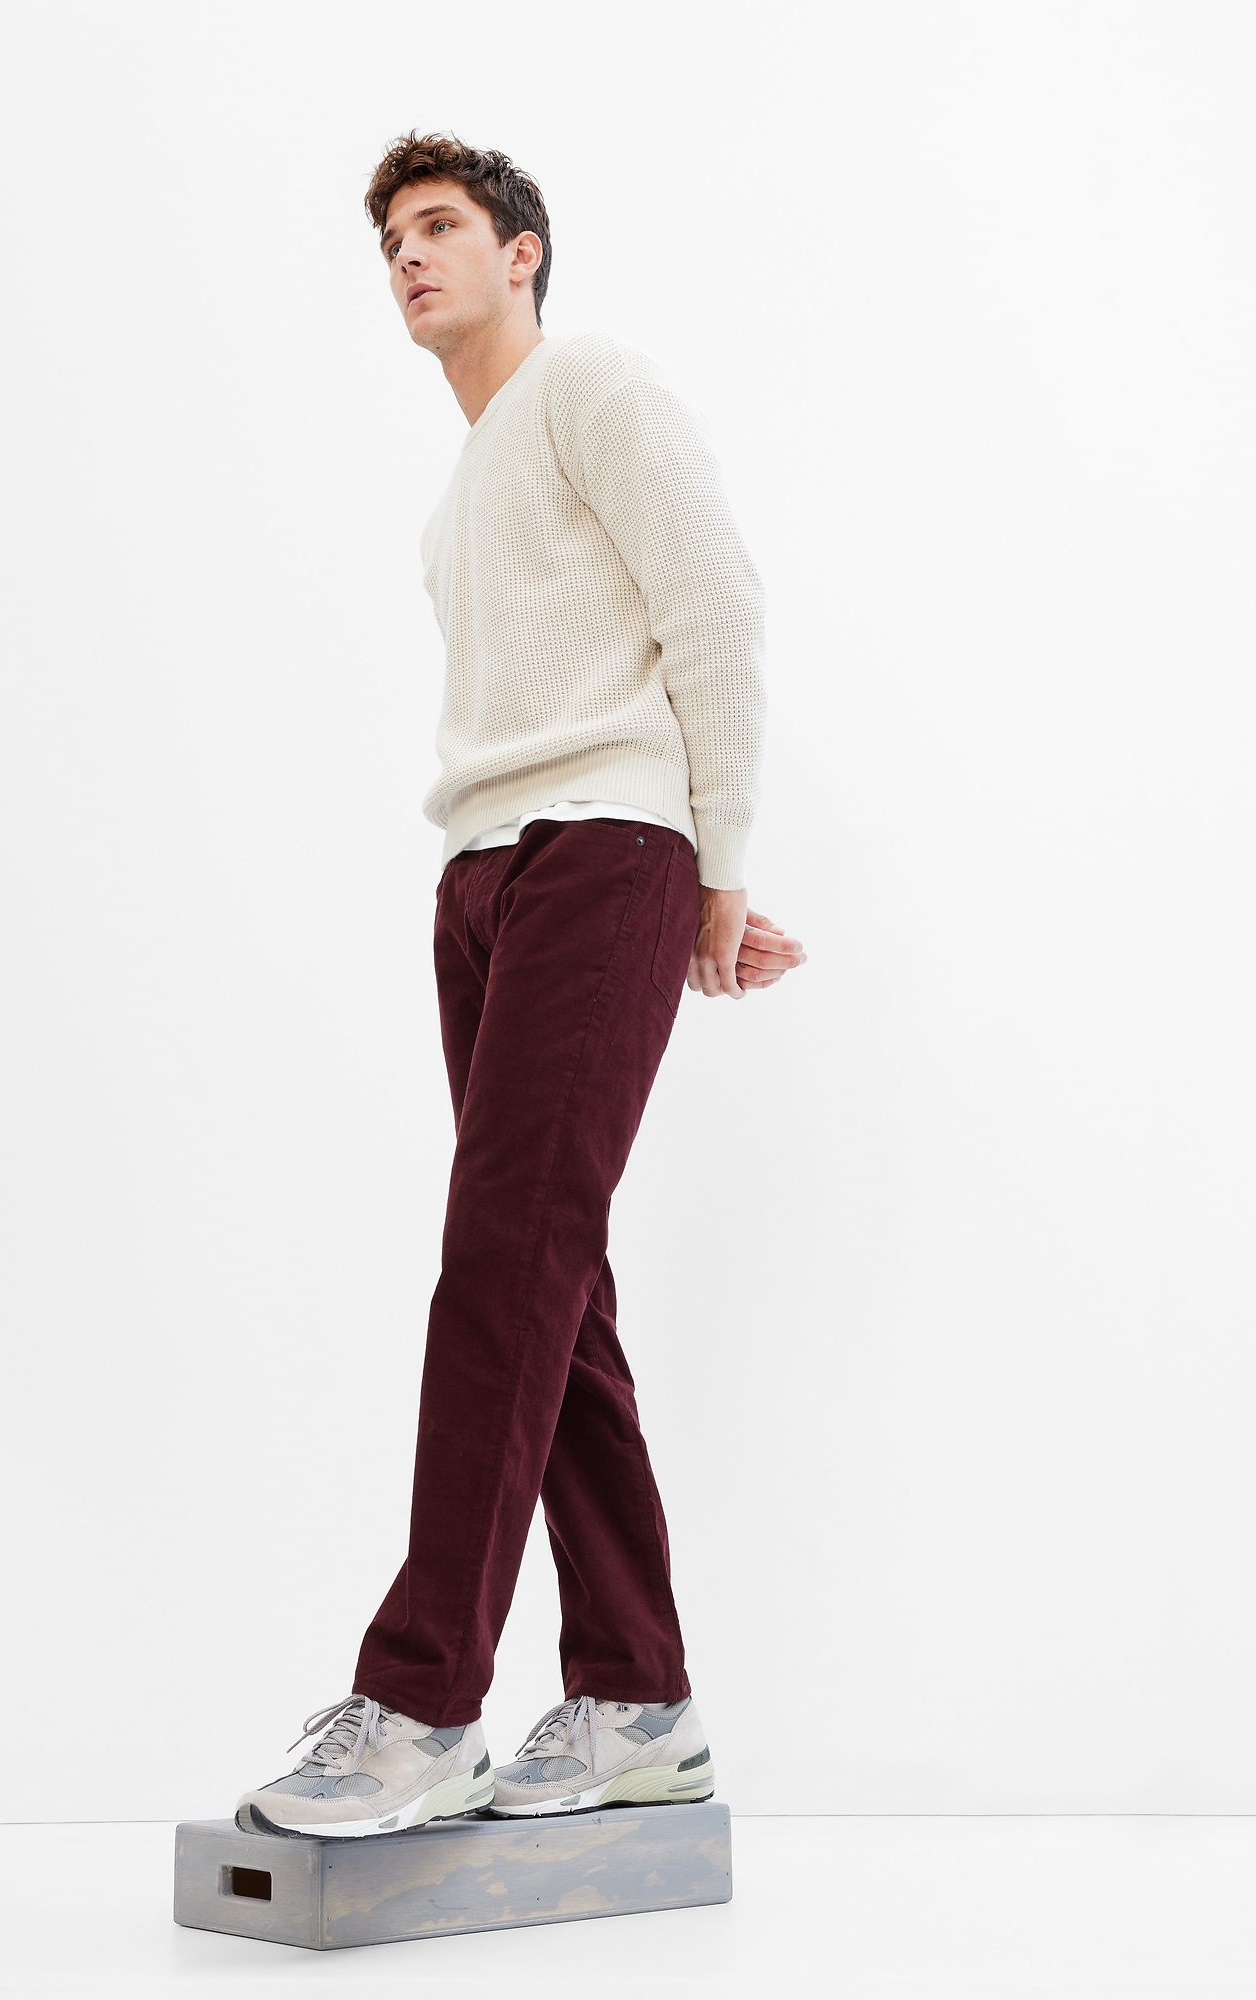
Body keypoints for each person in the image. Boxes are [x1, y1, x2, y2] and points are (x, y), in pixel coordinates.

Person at [235, 131, 805, 1838]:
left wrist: (712, 866)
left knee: (503, 1265)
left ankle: (423, 1707)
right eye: (391, 242)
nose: (410, 258)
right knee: (555, 1288)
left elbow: (716, 606)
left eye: (440, 227)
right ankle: (638, 1697)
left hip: (603, 853)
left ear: (522, 253)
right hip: (483, 881)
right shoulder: (455, 500)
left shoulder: (589, 390)